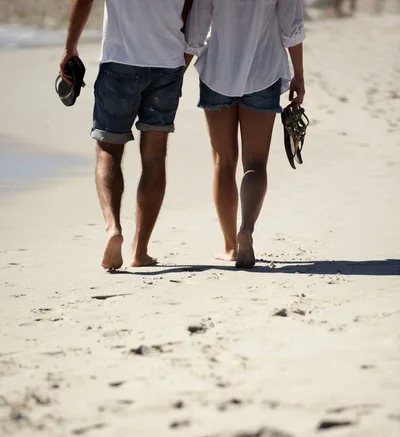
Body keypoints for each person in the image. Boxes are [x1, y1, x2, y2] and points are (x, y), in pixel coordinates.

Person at [60, 0, 193, 270]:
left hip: (119, 62)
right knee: (155, 157)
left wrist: (70, 48)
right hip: (167, 64)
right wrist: (181, 63)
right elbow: (190, 11)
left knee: (109, 150)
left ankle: (113, 228)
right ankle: (139, 251)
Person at [185, 0, 306, 268]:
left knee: (223, 163)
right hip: (263, 72)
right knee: (255, 164)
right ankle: (246, 230)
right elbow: (291, 28)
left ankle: (230, 246)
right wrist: (299, 74)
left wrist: (176, 76)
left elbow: (196, 31)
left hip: (217, 72)